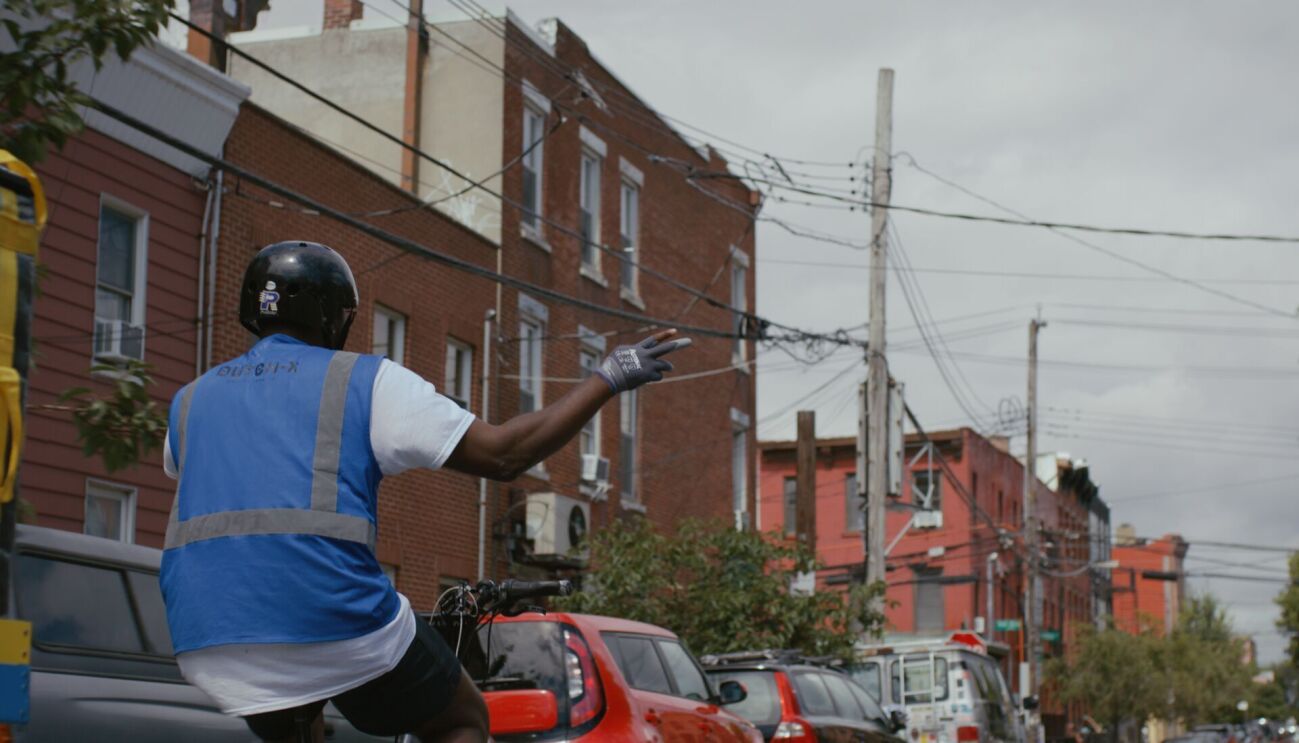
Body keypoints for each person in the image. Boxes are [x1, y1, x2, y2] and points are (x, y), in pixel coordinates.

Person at [159, 241, 691, 743]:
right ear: (334, 316)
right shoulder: (365, 381)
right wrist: (608, 377)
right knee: (460, 718)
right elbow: (504, 453)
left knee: (302, 719)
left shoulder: (189, 401)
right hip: (331, 617)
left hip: (204, 634)